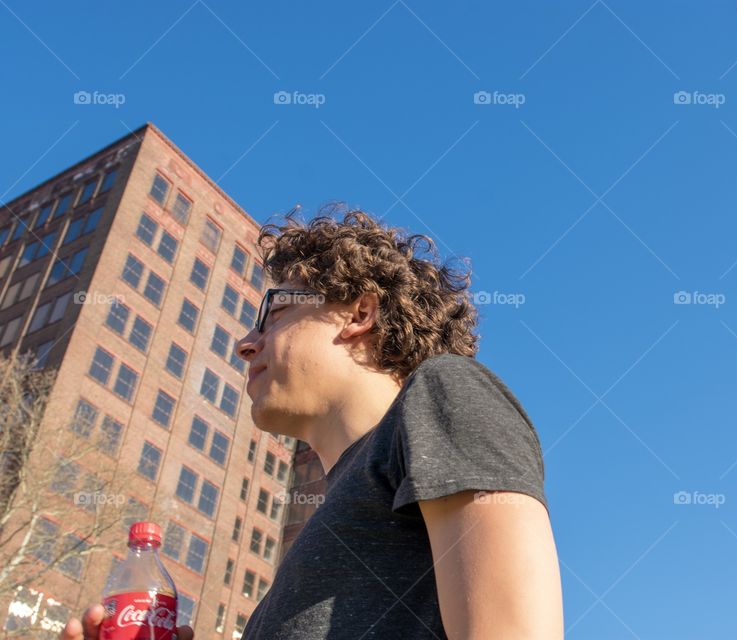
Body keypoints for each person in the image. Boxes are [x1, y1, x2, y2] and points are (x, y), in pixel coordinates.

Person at [61, 206, 562, 639]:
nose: (244, 344)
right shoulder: (316, 539)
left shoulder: (445, 390)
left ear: (358, 313)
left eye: (274, 313)